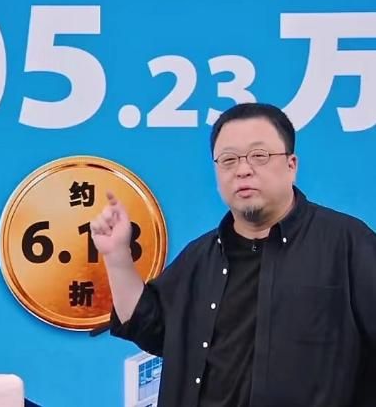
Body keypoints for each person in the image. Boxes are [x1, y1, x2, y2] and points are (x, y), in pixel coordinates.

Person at [90, 103, 376, 406]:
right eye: (228, 160)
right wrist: (117, 256)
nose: (243, 170)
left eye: (259, 156)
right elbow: (150, 327)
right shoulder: (200, 257)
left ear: (291, 165)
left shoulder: (347, 243)